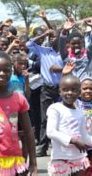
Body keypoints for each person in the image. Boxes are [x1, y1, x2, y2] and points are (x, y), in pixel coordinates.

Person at [46, 75, 92, 176]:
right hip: (61, 158)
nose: (69, 93)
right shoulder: (55, 108)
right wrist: (73, 140)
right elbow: (51, 132)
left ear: (79, 92)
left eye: (74, 90)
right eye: (65, 90)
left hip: (78, 159)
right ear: (60, 91)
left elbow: (84, 136)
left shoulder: (80, 112)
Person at [26, 28, 64, 157]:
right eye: (50, 37)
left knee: (62, 117)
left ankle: (61, 146)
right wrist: (44, 34)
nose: (52, 38)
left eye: (54, 36)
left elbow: (71, 66)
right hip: (46, 88)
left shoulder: (64, 53)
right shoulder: (43, 51)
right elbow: (28, 44)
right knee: (44, 118)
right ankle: (43, 146)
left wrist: (60, 69)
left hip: (61, 89)